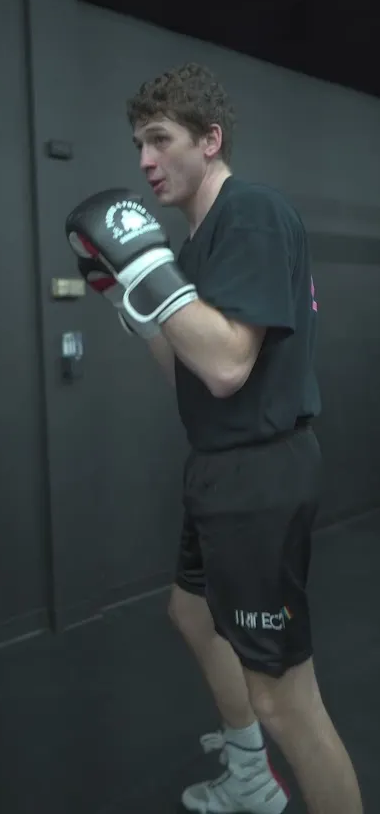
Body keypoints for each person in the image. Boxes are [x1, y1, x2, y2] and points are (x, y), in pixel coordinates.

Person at [65, 63, 363, 814]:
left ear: (210, 140)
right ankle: (250, 776)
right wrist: (128, 296)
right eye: (138, 144)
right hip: (219, 469)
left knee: (286, 700)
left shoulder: (251, 213)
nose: (144, 160)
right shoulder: (195, 246)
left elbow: (229, 366)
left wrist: (148, 269)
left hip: (260, 474)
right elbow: (187, 371)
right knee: (192, 612)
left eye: (160, 139)